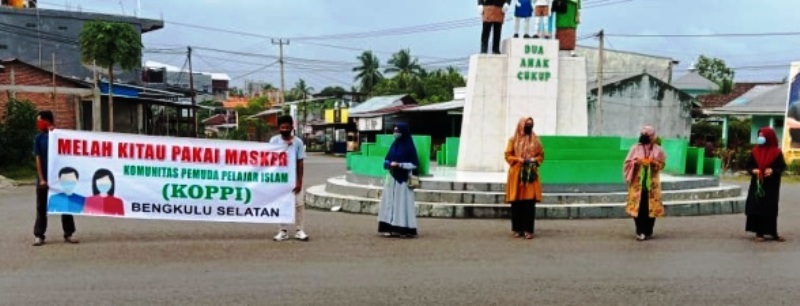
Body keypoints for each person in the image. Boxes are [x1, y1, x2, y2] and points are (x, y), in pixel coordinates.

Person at [33, 110, 78, 246]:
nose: (38, 123)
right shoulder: (39, 138)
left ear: (47, 121)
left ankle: (68, 233)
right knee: (41, 207)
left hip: (62, 179)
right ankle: (39, 235)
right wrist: (42, 178)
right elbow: (38, 159)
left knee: (65, 206)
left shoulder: (61, 136)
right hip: (44, 178)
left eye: (40, 120)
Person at [623, 126, 667, 241]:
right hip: (637, 185)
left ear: (653, 137)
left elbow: (662, 165)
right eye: (643, 135)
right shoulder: (634, 149)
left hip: (652, 185)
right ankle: (640, 231)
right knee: (638, 209)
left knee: (650, 208)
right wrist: (636, 162)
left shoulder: (658, 150)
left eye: (648, 135)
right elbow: (627, 163)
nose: (645, 137)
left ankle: (648, 230)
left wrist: (654, 163)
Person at [504, 117, 544, 240]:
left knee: (529, 203)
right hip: (516, 175)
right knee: (516, 202)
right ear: (521, 125)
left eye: (531, 125)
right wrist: (518, 159)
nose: (529, 127)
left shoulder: (536, 140)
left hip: (529, 175)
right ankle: (517, 229)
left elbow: (541, 156)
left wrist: (534, 160)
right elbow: (508, 155)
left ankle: (528, 230)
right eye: (527, 124)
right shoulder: (513, 140)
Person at [745, 127, 787, 242]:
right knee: (757, 206)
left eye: (763, 136)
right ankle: (759, 232)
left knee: (770, 208)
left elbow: (782, 167)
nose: (760, 138)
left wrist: (772, 170)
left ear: (769, 138)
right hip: (757, 184)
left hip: (771, 185)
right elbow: (748, 166)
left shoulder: (777, 153)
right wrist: (754, 170)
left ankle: (773, 232)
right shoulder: (755, 152)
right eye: (760, 136)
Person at [271, 115, 310, 241]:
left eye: (287, 127)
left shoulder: (297, 142)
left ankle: (300, 230)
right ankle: (283, 230)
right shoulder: (274, 141)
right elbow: (268, 159)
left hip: (293, 178)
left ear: (291, 127)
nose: (284, 129)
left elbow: (300, 163)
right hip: (279, 179)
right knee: (281, 204)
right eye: (282, 127)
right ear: (279, 128)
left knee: (299, 205)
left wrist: (299, 181)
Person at [378, 124, 420, 238]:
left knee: (402, 204)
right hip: (391, 178)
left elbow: (414, 164)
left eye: (397, 130)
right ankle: (388, 227)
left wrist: (400, 165)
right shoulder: (393, 146)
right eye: (394, 130)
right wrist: (388, 164)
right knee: (389, 202)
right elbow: (386, 160)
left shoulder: (409, 147)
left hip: (404, 181)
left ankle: (403, 228)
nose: (395, 132)